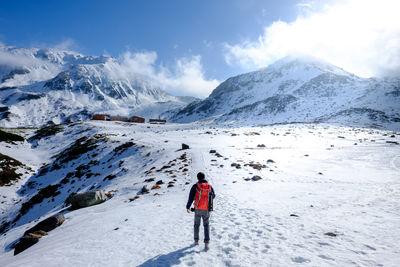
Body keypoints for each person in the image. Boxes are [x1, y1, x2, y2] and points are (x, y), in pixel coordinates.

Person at [186, 172, 215, 249]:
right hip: (206, 209)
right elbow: (213, 196)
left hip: (197, 208)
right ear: (204, 177)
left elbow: (191, 197)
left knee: (196, 225)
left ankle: (196, 241)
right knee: (206, 225)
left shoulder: (195, 186)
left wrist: (188, 206)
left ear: (197, 178)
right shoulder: (209, 186)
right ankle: (207, 243)